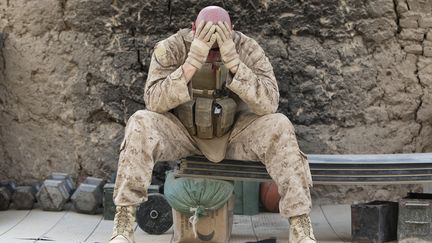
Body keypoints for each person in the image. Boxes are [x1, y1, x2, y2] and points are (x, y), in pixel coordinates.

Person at [109, 5, 316, 243]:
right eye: (209, 44)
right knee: (139, 122)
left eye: (218, 47)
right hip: (182, 133)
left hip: (233, 134)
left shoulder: (247, 48)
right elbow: (153, 101)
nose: (213, 53)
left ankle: (300, 227)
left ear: (232, 31)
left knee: (280, 124)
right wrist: (192, 62)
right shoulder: (173, 48)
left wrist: (235, 62)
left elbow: (270, 103)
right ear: (194, 29)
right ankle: (124, 225)